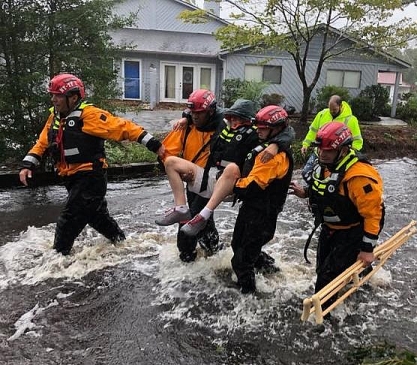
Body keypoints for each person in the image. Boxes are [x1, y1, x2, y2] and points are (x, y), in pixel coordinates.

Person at [19, 73, 165, 256]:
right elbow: (42, 143)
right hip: (71, 178)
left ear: (73, 98)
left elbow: (124, 128)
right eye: (52, 95)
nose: (53, 99)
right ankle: (125, 245)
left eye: (57, 95)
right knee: (97, 218)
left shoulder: (90, 115)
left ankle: (56, 261)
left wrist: (155, 145)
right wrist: (28, 164)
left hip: (90, 178)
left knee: (69, 220)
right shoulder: (54, 117)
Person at [183, 105, 294, 293]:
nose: (258, 130)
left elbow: (252, 186)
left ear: (276, 128)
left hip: (262, 214)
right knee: (238, 247)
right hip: (252, 210)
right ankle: (273, 272)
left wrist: (229, 184)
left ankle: (250, 298)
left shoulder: (274, 157)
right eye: (258, 126)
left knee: (241, 261)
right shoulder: (267, 143)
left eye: (263, 128)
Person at [290, 121, 384, 315]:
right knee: (321, 269)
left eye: (329, 151)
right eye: (321, 150)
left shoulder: (359, 176)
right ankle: (358, 278)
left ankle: (322, 318)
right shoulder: (325, 165)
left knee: (326, 278)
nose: (323, 154)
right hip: (331, 228)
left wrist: (367, 250)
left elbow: (373, 214)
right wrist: (306, 192)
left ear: (343, 149)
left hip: (354, 230)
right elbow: (327, 190)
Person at [156, 89, 224, 262]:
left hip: (210, 182)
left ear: (211, 111)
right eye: (192, 112)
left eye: (199, 113)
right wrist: (179, 171)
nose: (195, 116)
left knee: (188, 221)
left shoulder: (223, 128)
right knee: (203, 219)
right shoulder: (186, 127)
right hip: (191, 182)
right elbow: (165, 154)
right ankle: (213, 252)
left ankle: (186, 257)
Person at [300, 95, 363, 182]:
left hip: (338, 156)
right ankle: (312, 191)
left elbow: (357, 140)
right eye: (330, 110)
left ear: (340, 106)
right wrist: (305, 144)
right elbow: (313, 131)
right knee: (306, 173)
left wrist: (349, 153)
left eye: (334, 110)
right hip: (319, 151)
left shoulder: (351, 120)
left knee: (332, 180)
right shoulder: (322, 115)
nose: (332, 112)